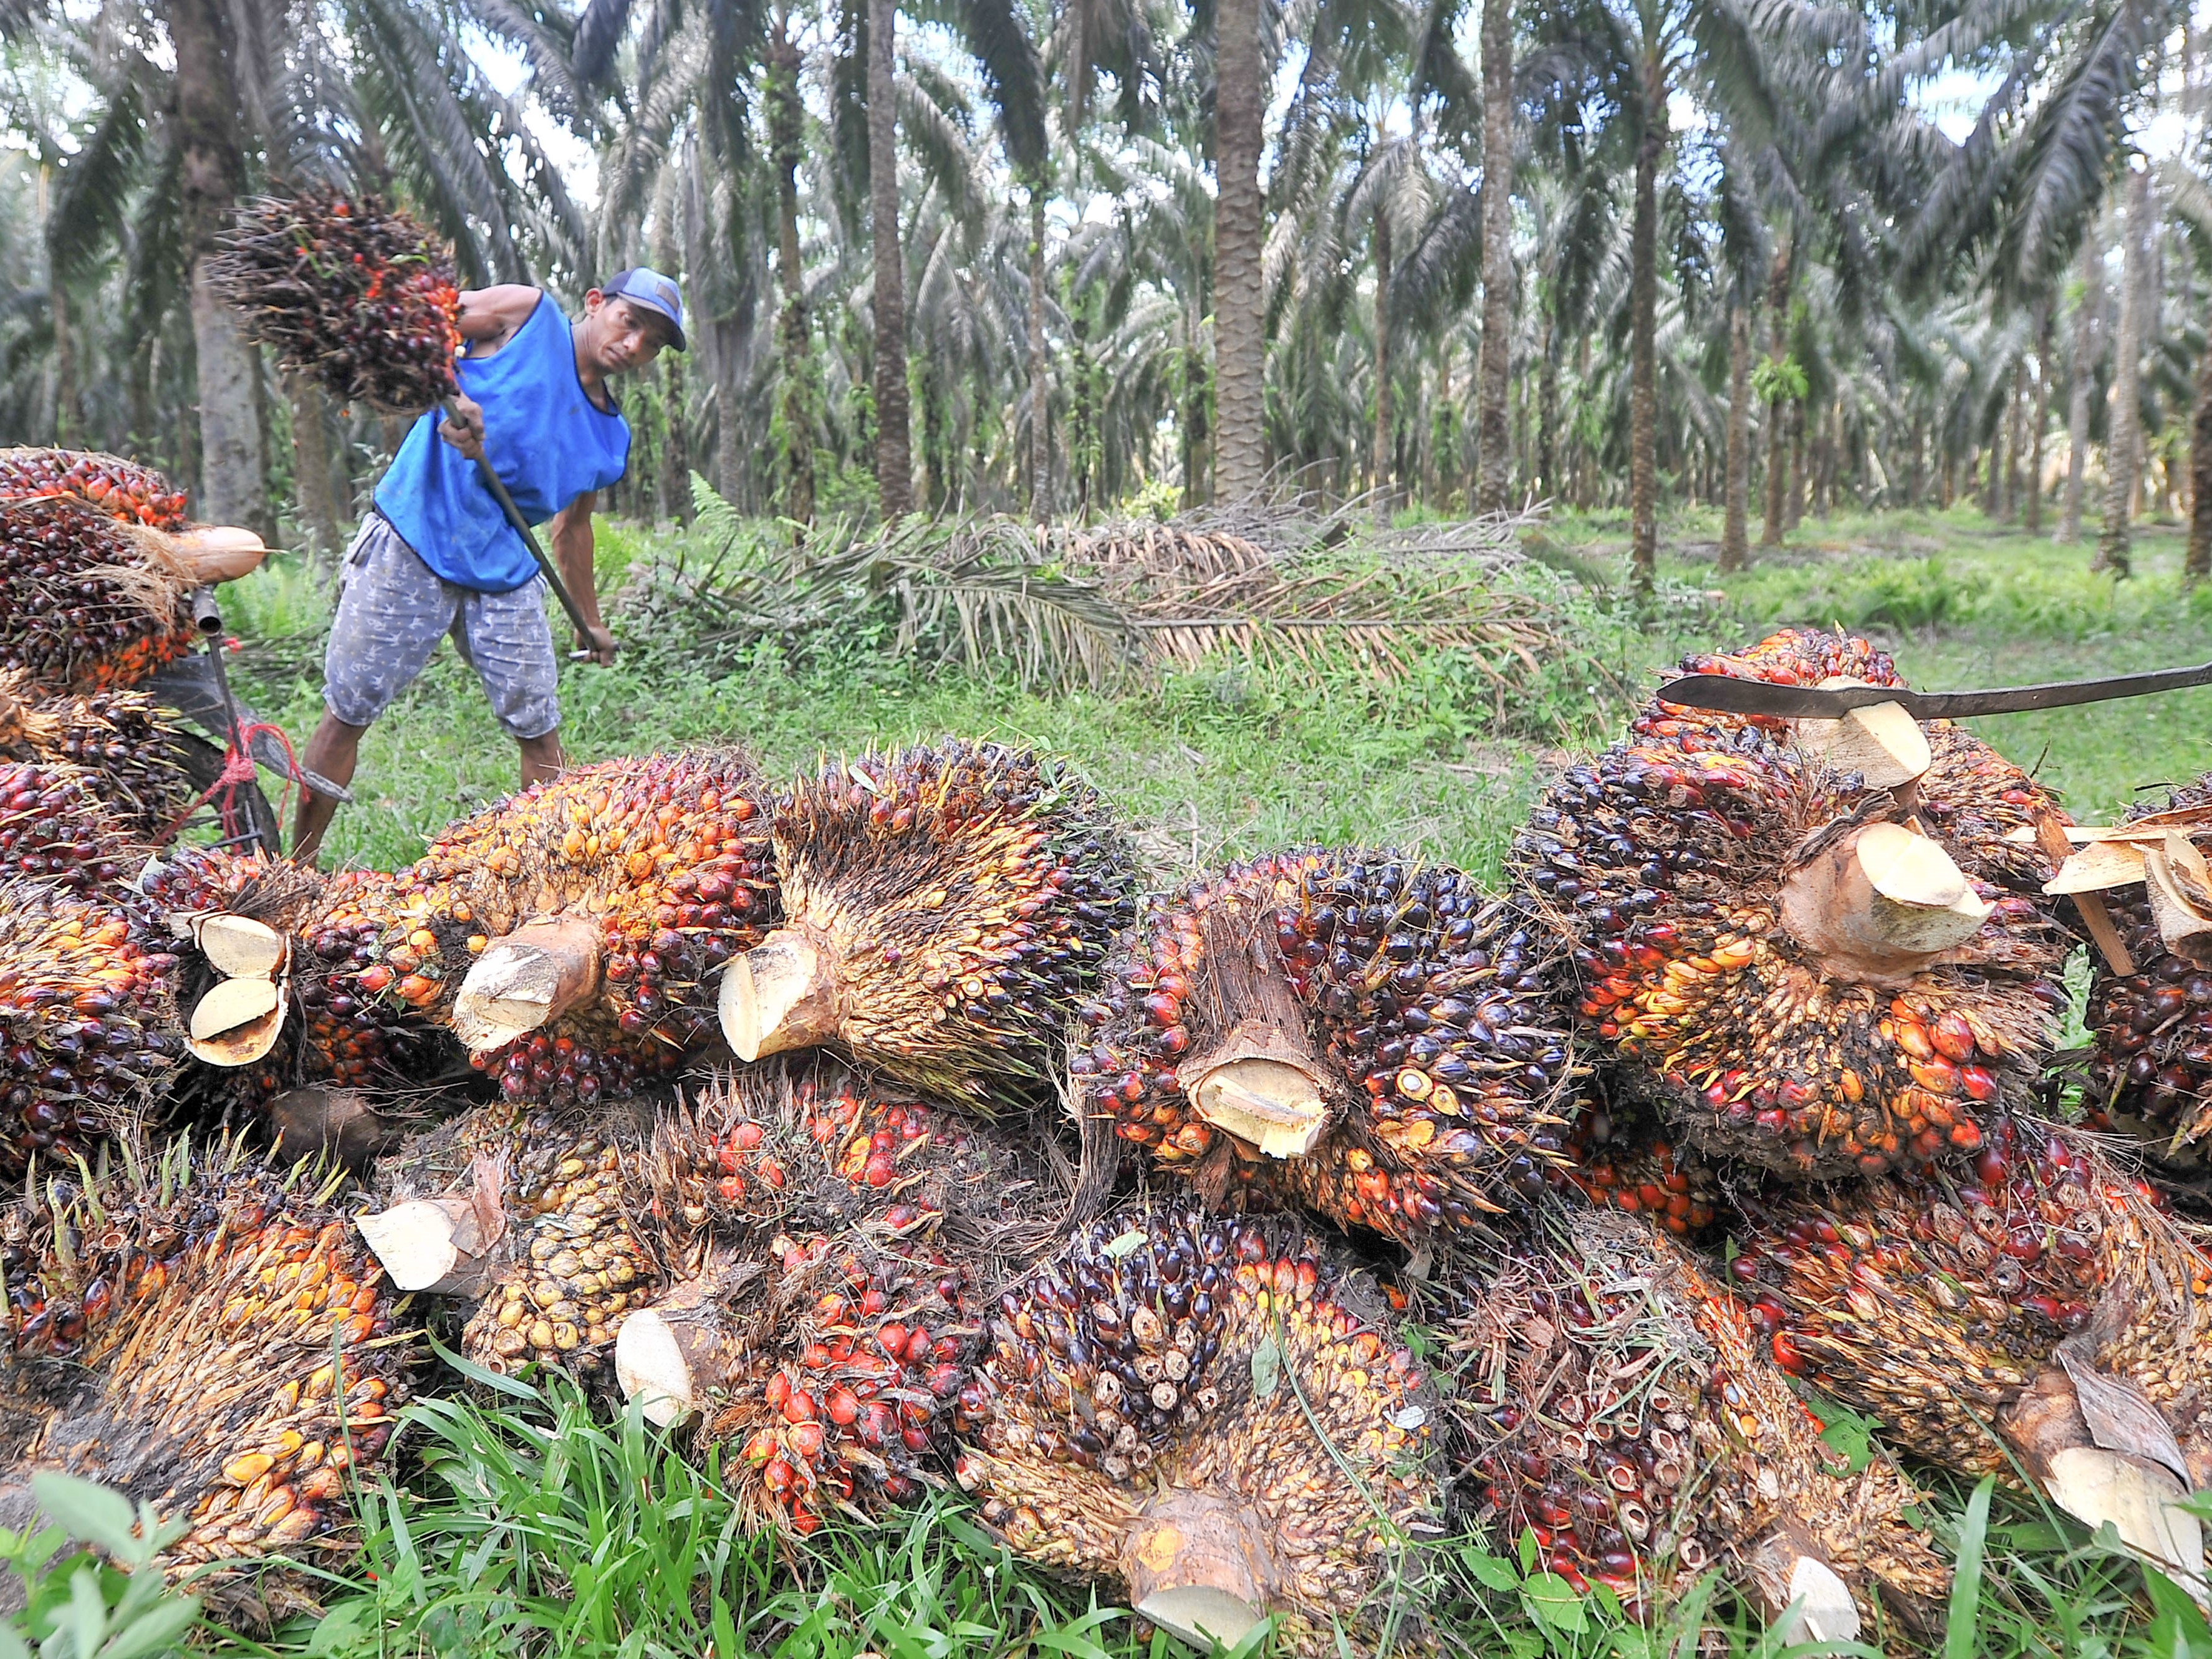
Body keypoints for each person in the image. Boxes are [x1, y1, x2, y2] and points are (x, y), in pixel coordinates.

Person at [290, 269, 686, 864]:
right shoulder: (527, 316)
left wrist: (589, 621)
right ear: (597, 303)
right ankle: (291, 869)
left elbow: (572, 530)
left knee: (539, 725)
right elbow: (419, 326)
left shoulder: (609, 439)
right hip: (413, 537)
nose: (634, 346)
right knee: (349, 708)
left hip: (503, 566)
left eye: (651, 342)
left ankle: (547, 874)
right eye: (631, 323)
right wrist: (454, 393)